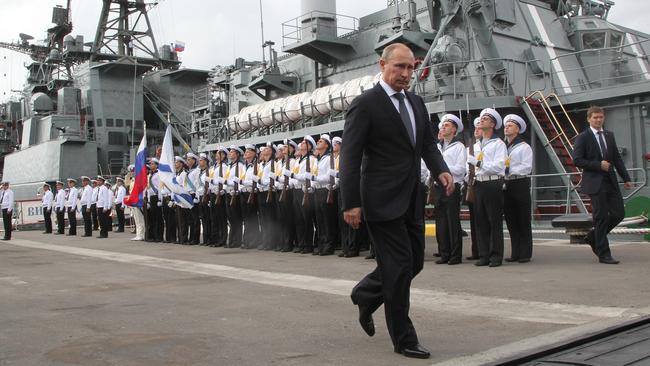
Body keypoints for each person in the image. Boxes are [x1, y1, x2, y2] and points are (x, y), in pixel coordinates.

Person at [340, 43, 452, 359]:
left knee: (413, 262)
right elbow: (349, 156)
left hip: (411, 198)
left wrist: (441, 170)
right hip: (379, 200)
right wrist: (351, 202)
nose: (405, 74)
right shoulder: (366, 104)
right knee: (399, 266)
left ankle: (365, 293)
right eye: (399, 67)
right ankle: (404, 338)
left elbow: (427, 144)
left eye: (410, 68)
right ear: (382, 65)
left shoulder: (416, 103)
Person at [573, 106, 632, 264]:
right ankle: (603, 253)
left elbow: (617, 159)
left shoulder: (609, 135)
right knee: (601, 217)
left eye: (600, 117)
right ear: (589, 119)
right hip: (594, 182)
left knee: (618, 214)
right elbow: (577, 160)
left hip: (610, 181)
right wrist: (598, 165)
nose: (598, 120)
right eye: (595, 117)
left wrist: (626, 178)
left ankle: (593, 237)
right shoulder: (582, 137)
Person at [467, 108, 507, 267]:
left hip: (493, 183)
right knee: (480, 221)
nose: (481, 120)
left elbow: (499, 166)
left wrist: (477, 163)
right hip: (479, 184)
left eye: (485, 119)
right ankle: (484, 255)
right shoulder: (475, 146)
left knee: (494, 220)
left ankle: (496, 256)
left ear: (492, 124)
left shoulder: (498, 144)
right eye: (481, 119)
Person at [435, 114, 467, 265]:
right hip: (438, 186)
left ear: (454, 129)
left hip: (452, 186)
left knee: (452, 221)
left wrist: (443, 170)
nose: (443, 127)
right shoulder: (438, 146)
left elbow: (461, 169)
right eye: (443, 125)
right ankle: (444, 253)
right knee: (441, 222)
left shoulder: (459, 146)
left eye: (447, 125)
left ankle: (455, 255)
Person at [502, 114, 534, 263]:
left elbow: (526, 167)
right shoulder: (502, 146)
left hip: (519, 183)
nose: (506, 127)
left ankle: (525, 253)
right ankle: (515, 252)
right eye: (506, 125)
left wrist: (508, 170)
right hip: (506, 185)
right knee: (511, 220)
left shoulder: (524, 147)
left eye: (510, 125)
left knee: (523, 219)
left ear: (518, 130)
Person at [465, 117, 482, 261]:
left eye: (479, 127)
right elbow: (466, 167)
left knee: (483, 219)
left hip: (483, 183)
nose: (477, 130)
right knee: (474, 220)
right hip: (472, 184)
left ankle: (485, 250)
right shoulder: (470, 148)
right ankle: (476, 250)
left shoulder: (488, 146)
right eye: (475, 128)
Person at [241, 144, 262, 249]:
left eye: (248, 151)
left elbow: (255, 180)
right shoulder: (244, 166)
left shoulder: (257, 166)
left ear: (254, 153)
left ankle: (253, 240)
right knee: (246, 218)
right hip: (243, 193)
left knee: (252, 218)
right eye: (245, 151)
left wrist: (243, 182)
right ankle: (247, 240)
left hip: (251, 193)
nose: (246, 153)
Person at [225, 146, 245, 248]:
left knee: (236, 218)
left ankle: (236, 240)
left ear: (237, 154)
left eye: (232, 152)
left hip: (235, 194)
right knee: (231, 218)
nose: (230, 153)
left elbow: (240, 179)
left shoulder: (240, 166)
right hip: (228, 193)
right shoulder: (229, 166)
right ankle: (232, 239)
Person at [210, 146, 229, 247]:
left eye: (219, 154)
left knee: (222, 218)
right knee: (214, 217)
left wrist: (223, 190)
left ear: (224, 156)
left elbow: (225, 179)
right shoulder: (213, 167)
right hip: (213, 194)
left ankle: (222, 239)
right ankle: (215, 239)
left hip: (219, 194)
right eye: (217, 154)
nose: (217, 155)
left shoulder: (225, 167)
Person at [185, 153, 201, 245]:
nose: (187, 161)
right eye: (187, 160)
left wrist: (196, 196)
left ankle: (195, 238)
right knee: (190, 218)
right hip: (188, 195)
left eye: (189, 159)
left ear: (194, 161)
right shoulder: (189, 171)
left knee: (195, 218)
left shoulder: (197, 171)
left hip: (194, 194)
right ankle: (191, 238)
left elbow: (198, 184)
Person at [147, 158, 164, 242]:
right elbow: (149, 189)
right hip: (152, 197)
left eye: (152, 164)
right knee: (153, 218)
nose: (151, 165)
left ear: (157, 165)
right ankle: (153, 235)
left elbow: (160, 187)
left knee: (158, 218)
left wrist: (160, 199)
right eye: (150, 164)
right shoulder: (150, 175)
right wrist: (149, 201)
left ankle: (159, 236)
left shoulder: (159, 174)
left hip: (157, 197)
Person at [197, 153, 212, 245]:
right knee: (203, 218)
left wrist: (209, 197)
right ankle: (205, 239)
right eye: (199, 160)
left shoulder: (209, 171)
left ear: (206, 162)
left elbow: (210, 184)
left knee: (208, 218)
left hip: (207, 195)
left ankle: (210, 239)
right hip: (201, 196)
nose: (199, 162)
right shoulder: (199, 172)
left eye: (201, 160)